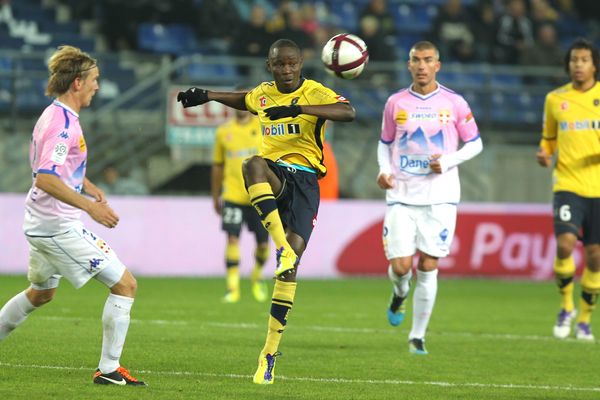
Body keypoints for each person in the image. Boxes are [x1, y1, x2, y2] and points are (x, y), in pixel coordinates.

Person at [177, 38, 355, 384]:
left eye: (291, 64)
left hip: (305, 183)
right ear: (269, 66)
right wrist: (208, 95)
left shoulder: (315, 92)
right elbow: (242, 99)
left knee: (287, 275)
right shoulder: (262, 94)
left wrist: (298, 110)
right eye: (279, 64)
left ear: (301, 63)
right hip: (277, 174)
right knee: (253, 164)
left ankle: (269, 354)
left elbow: (348, 112)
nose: (286, 70)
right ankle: (282, 248)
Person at [0, 45, 146, 386]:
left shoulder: (55, 115)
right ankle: (109, 370)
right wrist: (90, 206)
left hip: (41, 221)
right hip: (56, 226)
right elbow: (46, 178)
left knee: (41, 294)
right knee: (126, 285)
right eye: (94, 79)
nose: (98, 85)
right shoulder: (62, 126)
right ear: (77, 83)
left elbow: (55, 167)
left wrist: (88, 186)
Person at [377, 41, 483, 355]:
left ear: (438, 65)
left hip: (441, 196)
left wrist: (448, 161)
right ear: (408, 64)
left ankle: (417, 336)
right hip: (402, 194)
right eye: (416, 60)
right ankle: (399, 294)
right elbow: (384, 143)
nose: (421, 65)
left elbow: (475, 144)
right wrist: (384, 170)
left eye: (427, 60)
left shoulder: (454, 102)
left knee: (429, 263)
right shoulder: (395, 102)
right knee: (400, 267)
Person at [536, 38, 600, 341]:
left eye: (584, 60)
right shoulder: (554, 99)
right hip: (568, 184)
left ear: (594, 65)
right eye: (574, 59)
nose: (578, 65)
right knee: (564, 244)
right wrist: (544, 152)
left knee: (595, 256)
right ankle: (565, 307)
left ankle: (585, 320)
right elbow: (548, 137)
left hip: (598, 188)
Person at [211, 107, 269, 303]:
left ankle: (257, 276)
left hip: (259, 194)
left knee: (263, 243)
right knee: (232, 239)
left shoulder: (264, 127)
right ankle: (232, 288)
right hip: (233, 195)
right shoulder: (223, 132)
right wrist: (215, 195)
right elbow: (218, 166)